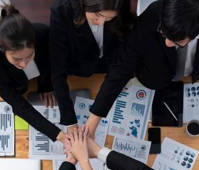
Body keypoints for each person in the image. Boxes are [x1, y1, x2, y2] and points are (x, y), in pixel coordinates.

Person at [86, 0, 199, 134]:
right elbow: (122, 68)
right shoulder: (155, 13)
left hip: (195, 69)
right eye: (163, 33)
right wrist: (92, 122)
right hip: (155, 75)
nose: (167, 43)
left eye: (176, 41)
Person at [0, 3, 66, 143]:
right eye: (17, 58)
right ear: (1, 45)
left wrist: (46, 86)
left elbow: (50, 63)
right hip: (12, 83)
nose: (24, 63)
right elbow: (19, 105)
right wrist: (58, 135)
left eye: (29, 55)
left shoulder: (43, 34)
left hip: (37, 76)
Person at [50, 0, 135, 133]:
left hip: (107, 67)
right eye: (97, 16)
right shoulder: (62, 10)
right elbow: (57, 67)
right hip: (78, 68)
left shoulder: (120, 9)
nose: (102, 23)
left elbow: (121, 60)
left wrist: (95, 117)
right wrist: (70, 122)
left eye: (110, 18)